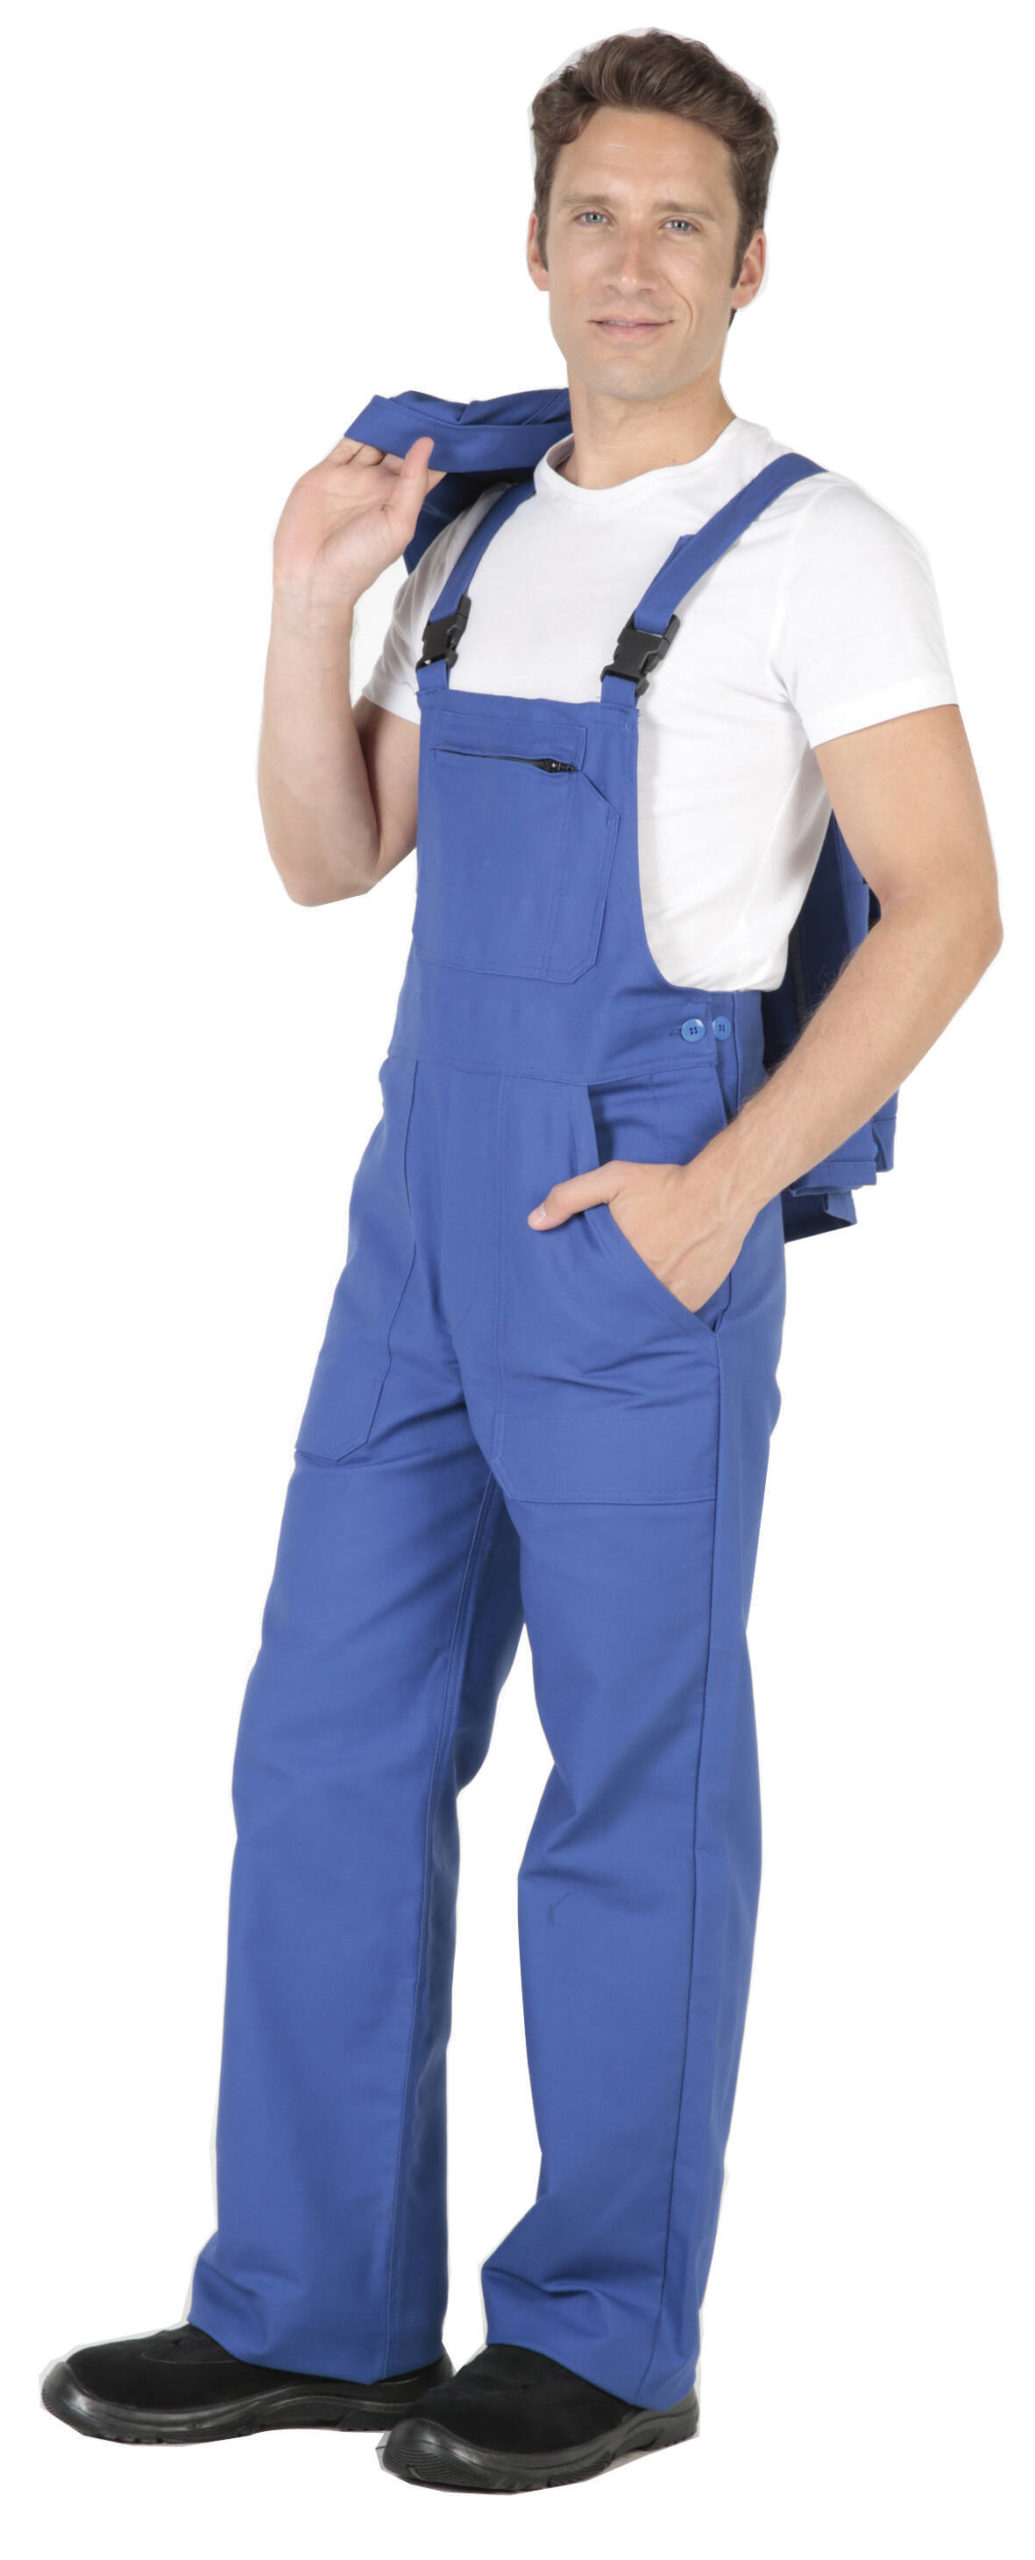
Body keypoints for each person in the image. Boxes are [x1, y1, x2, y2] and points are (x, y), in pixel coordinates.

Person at [41, 27, 1002, 2496]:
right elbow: (324, 855)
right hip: (416, 1211)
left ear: (750, 263)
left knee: (631, 1780)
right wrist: (304, 605)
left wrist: (721, 1183)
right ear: (536, 244)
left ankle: (600, 2326)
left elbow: (945, 905)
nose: (630, 260)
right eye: (595, 214)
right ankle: (316, 2306)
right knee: (325, 1741)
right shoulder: (464, 533)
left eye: (681, 221)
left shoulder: (820, 547)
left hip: (630, 1202)